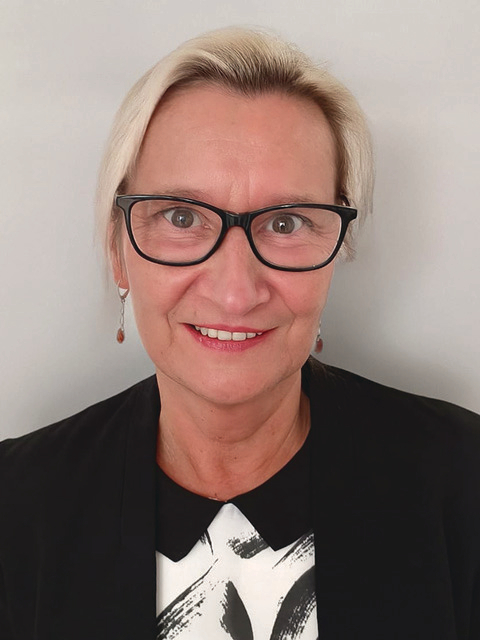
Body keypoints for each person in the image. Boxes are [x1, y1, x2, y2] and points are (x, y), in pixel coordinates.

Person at [0, 26, 479, 640]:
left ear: (336, 251)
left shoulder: (464, 482)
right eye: (181, 217)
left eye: (286, 222)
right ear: (118, 251)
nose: (235, 291)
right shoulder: (15, 506)